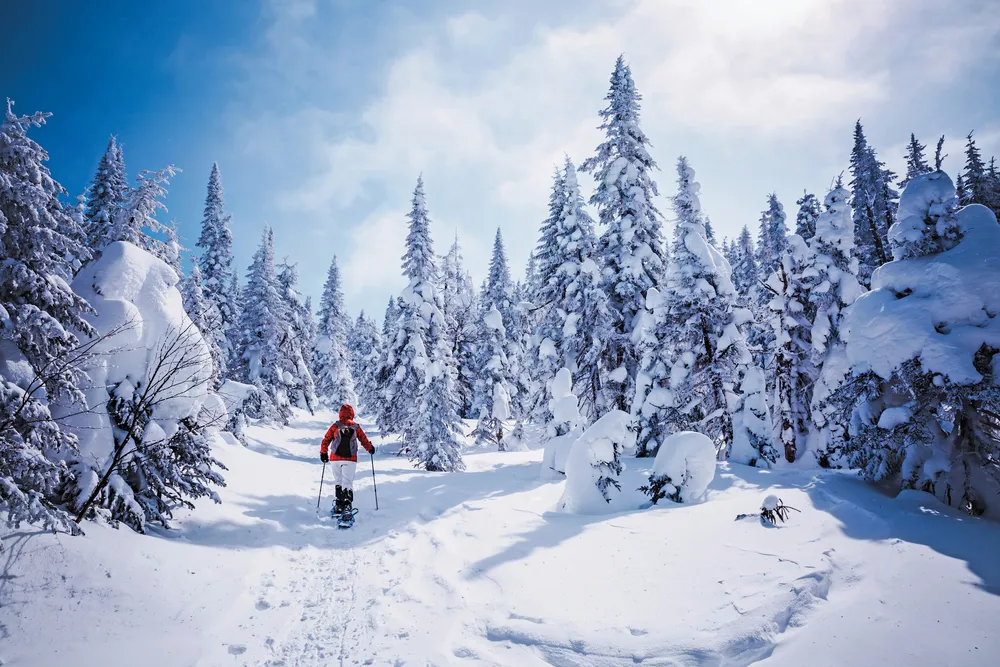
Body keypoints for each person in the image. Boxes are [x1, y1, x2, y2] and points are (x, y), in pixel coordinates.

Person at [320, 404, 375, 518]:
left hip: (335, 458)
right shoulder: (355, 426)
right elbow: (363, 440)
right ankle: (347, 508)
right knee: (347, 483)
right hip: (351, 459)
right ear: (352, 414)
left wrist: (323, 453)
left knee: (338, 481)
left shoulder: (335, 426)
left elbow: (326, 439)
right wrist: (370, 448)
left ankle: (339, 506)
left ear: (340, 414)